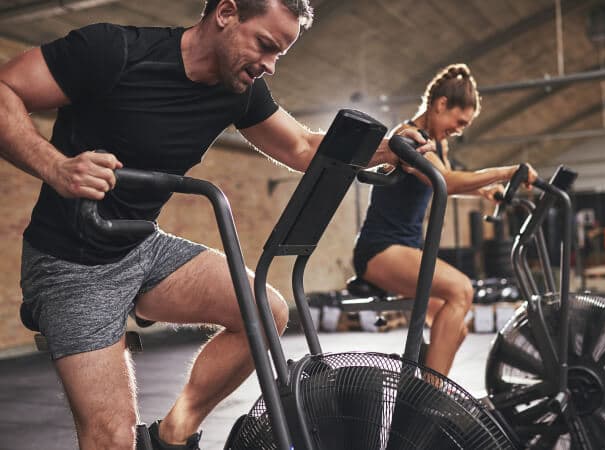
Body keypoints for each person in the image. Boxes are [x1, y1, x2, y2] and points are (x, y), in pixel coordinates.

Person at [0, 1, 432, 449]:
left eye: (279, 55)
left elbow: (302, 146)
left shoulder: (238, 89)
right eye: (264, 45)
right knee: (111, 438)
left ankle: (174, 433)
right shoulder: (114, 50)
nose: (269, 66)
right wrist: (56, 166)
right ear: (226, 13)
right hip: (71, 265)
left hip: (139, 247)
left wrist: (385, 149)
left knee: (266, 312)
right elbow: (4, 88)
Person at [353, 63, 537, 376]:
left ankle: (422, 389)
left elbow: (440, 187)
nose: (459, 128)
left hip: (405, 249)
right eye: (459, 120)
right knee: (461, 291)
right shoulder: (408, 138)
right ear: (441, 105)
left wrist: (484, 192)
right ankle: (429, 397)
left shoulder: (438, 144)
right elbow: (448, 181)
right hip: (381, 249)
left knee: (457, 329)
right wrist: (507, 172)